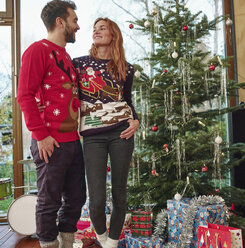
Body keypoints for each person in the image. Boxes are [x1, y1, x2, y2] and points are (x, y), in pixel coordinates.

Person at [17, 1, 86, 247]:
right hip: (50, 141)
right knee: (49, 201)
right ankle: (48, 244)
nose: (78, 26)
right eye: (74, 20)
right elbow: (24, 95)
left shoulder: (65, 56)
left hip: (72, 141)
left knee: (77, 198)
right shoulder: (38, 50)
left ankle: (66, 243)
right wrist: (41, 135)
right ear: (60, 21)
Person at [72, 18, 139, 248]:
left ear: (114, 35)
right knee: (97, 198)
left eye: (102, 28)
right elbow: (68, 93)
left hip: (122, 132)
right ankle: (101, 235)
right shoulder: (78, 64)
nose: (96, 31)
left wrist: (137, 120)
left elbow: (128, 100)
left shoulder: (126, 68)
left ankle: (112, 241)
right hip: (92, 136)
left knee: (119, 192)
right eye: (94, 28)